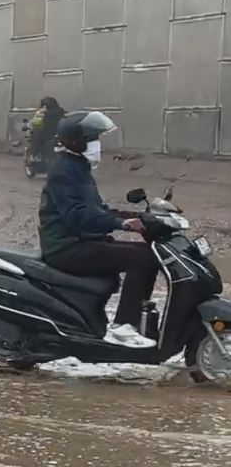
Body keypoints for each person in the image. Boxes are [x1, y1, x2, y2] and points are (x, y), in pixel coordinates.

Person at [37, 110, 157, 348]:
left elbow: (98, 209)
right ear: (76, 141)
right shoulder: (64, 172)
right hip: (66, 247)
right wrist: (121, 224)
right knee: (143, 259)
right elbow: (78, 216)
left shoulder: (79, 168)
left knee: (151, 254)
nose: (97, 144)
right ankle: (123, 326)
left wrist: (139, 217)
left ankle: (138, 320)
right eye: (92, 139)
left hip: (84, 242)